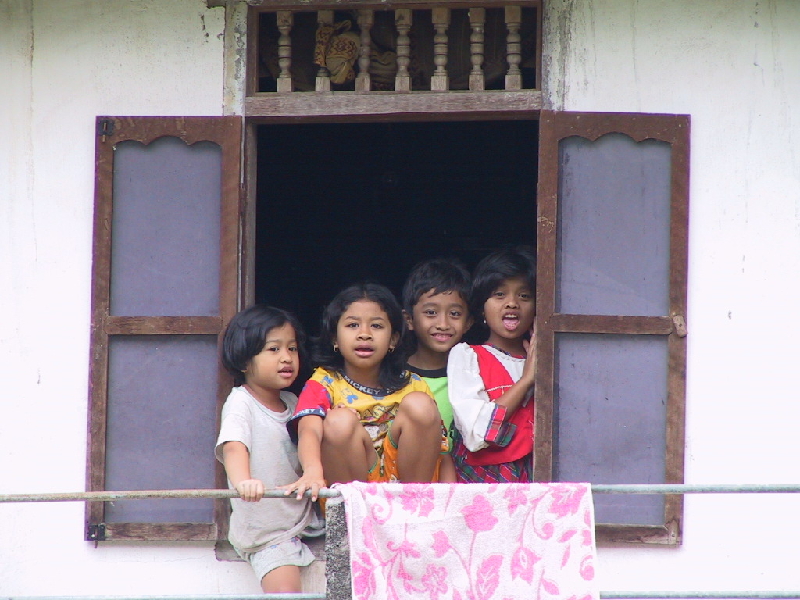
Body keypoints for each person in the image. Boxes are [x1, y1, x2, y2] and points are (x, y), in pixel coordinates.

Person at [285, 282, 446, 499]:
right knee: (339, 420)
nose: (364, 334)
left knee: (420, 404)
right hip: (353, 499)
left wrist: (450, 504)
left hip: (406, 495)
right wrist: (312, 472)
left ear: (393, 340)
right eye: (352, 325)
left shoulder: (413, 384)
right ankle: (351, 515)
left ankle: (414, 504)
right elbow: (309, 430)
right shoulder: (323, 383)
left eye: (377, 326)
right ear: (334, 338)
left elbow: (441, 452)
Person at [215, 305, 322, 594]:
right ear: (244, 360)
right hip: (268, 533)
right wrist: (243, 482)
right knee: (286, 592)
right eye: (273, 349)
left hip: (303, 522)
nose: (286, 357)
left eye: (292, 348)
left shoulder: (292, 401)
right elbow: (234, 448)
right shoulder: (241, 402)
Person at [448, 246, 537, 483]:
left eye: (524, 296)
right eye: (499, 295)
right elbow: (477, 432)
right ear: (482, 308)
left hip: (538, 483)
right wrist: (526, 380)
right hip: (485, 487)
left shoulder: (553, 360)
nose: (512, 303)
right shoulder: (468, 356)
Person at [402, 258, 473, 483]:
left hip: (458, 488)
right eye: (431, 313)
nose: (443, 324)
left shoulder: (474, 377)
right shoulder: (393, 377)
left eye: (454, 314)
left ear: (469, 322)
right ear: (409, 320)